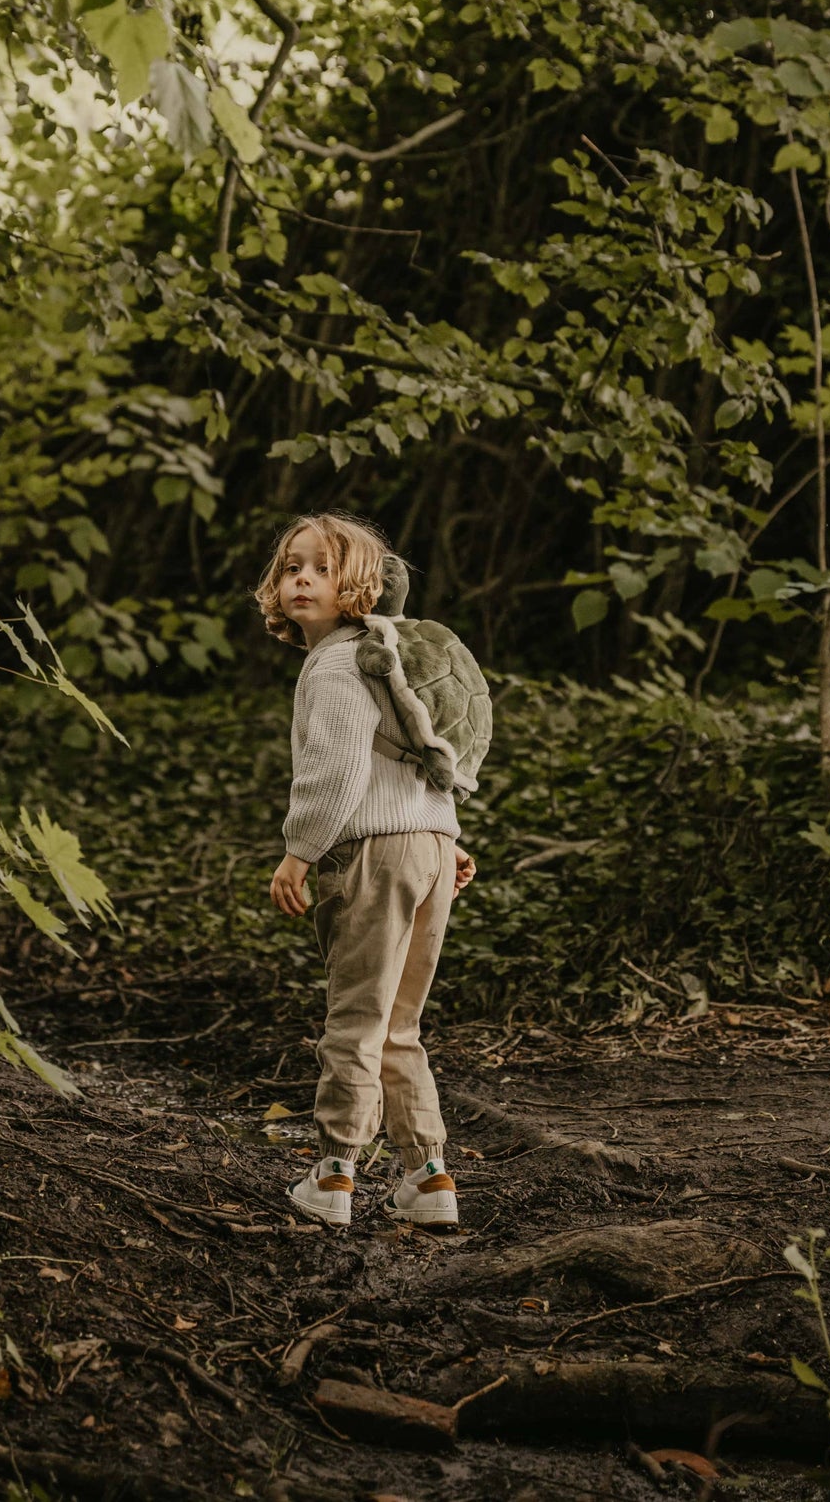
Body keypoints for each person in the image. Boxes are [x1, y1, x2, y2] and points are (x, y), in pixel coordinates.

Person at [256, 513, 477, 1232]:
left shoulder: (333, 663)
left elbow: (338, 771)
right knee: (399, 1025)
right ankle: (427, 1176)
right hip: (429, 851)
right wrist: (445, 835)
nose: (300, 581)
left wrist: (299, 849)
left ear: (358, 587)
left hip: (373, 857)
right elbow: (421, 743)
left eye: (321, 569)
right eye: (292, 567)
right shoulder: (387, 654)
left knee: (354, 1020)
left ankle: (335, 1175)